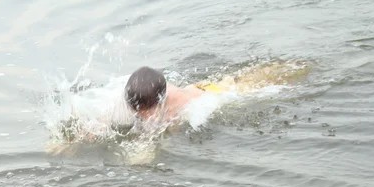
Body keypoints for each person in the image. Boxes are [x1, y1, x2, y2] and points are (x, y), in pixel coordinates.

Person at [124, 62, 309, 123]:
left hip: (210, 93)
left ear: (160, 100)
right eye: (136, 109)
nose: (139, 113)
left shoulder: (181, 105)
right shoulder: (139, 95)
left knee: (256, 88)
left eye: (143, 111)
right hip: (200, 86)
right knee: (234, 81)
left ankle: (293, 74)